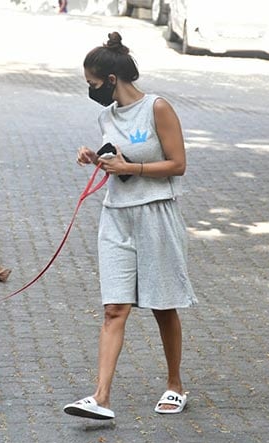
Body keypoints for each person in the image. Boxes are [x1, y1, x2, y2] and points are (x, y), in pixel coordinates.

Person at [63, 31, 197, 421]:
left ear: (110, 80)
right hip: (116, 216)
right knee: (113, 308)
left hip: (156, 214)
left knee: (162, 305)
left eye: (92, 84)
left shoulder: (157, 108)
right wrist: (96, 157)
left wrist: (130, 167)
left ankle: (175, 385)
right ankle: (100, 397)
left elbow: (178, 164)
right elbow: (118, 158)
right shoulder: (106, 115)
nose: (90, 90)